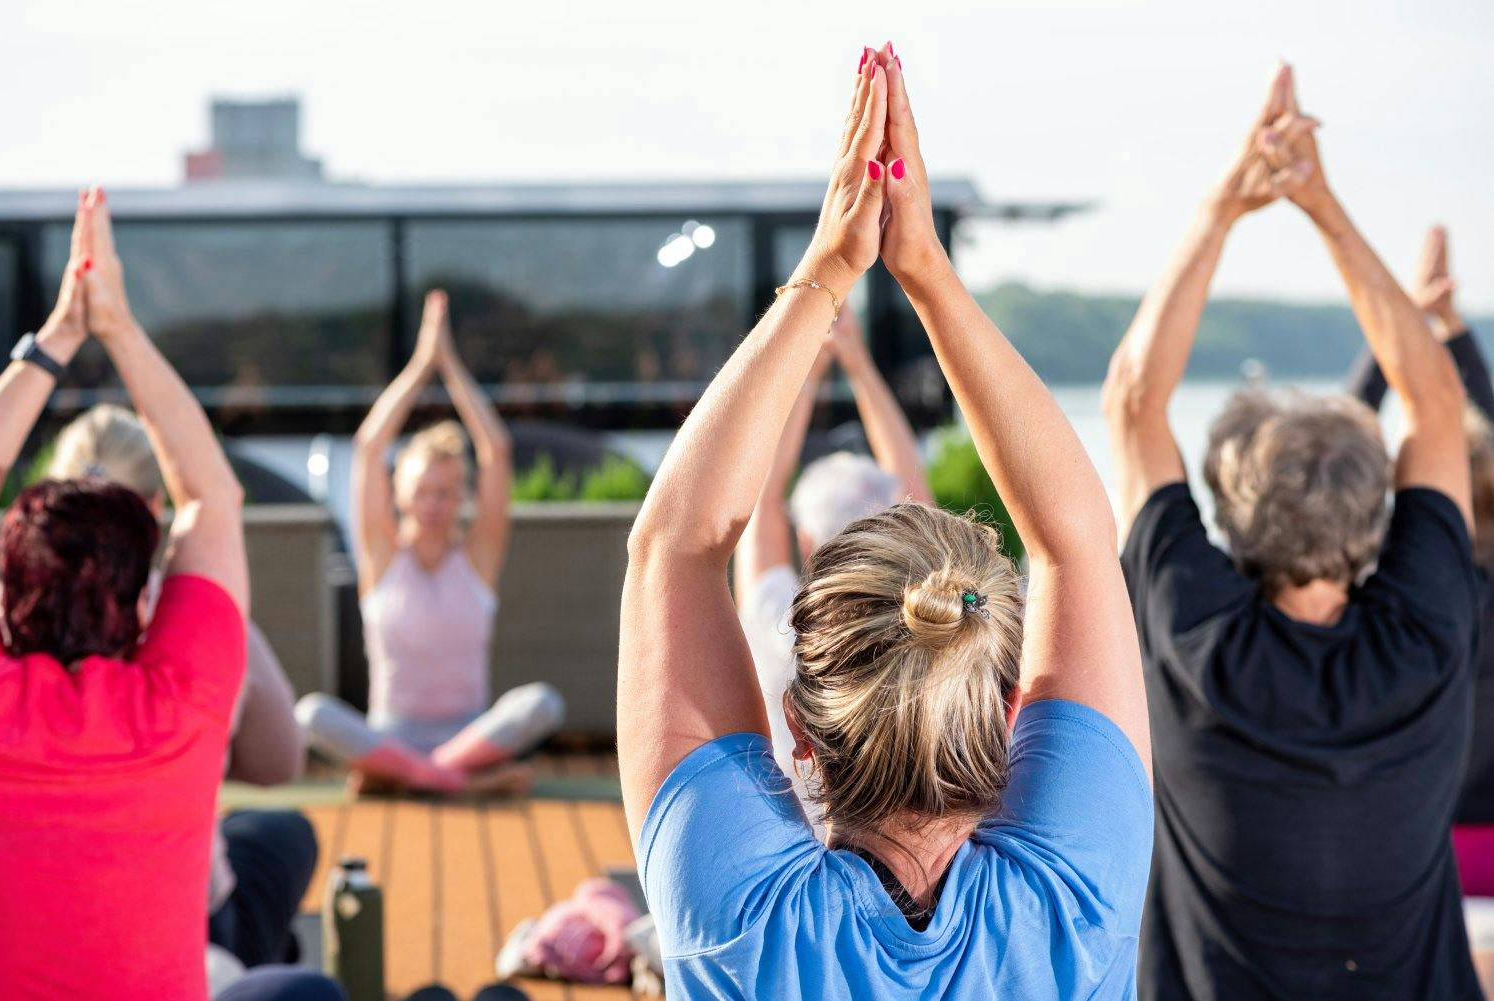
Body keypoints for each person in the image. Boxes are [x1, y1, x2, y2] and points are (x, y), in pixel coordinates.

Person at [619, 44, 1152, 999]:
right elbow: (1074, 536)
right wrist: (927, 272)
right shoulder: (1075, 903)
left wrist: (828, 270)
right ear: (1007, 714)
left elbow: (676, 543)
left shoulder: (740, 919)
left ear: (801, 733)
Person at [1103, 65, 1481, 999]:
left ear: (1233, 513)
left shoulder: (1196, 636)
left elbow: (1134, 402)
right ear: (1376, 516)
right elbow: (1436, 401)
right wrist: (1321, 202)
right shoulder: (1427, 636)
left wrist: (1223, 208)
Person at [0, 187, 251, 999]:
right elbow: (210, 495)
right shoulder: (184, 700)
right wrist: (115, 328)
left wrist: (54, 340)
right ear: (142, 595)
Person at [47, 404, 328, 998]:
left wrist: (43, 359)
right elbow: (281, 765)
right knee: (280, 840)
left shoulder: (14, 641)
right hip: (183, 928)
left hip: (49, 919)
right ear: (154, 510)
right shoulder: (205, 633)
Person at [295, 290, 564, 793]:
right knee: (310, 714)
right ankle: (454, 782)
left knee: (543, 704)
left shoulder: (478, 557)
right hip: (391, 735)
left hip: (470, 734)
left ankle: (415, 777)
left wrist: (452, 367)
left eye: (445, 492)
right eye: (422, 491)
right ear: (398, 493)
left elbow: (496, 449)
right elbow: (369, 447)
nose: (434, 504)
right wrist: (422, 365)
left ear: (463, 496)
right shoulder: (381, 556)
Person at [1343, 225, 1494, 993]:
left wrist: (1395, 322)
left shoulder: (1380, 602)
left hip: (1409, 844)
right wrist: (1452, 332)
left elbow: (1336, 446)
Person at [733, 306, 934, 824]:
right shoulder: (925, 618)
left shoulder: (781, 618)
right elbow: (916, 494)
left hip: (794, 842)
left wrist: (810, 371)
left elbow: (762, 494)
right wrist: (858, 364)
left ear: (805, 540)